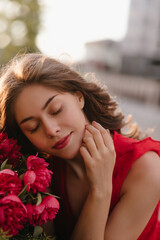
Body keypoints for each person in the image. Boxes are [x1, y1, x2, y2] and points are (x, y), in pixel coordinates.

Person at [0, 53, 160, 240]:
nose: (51, 130)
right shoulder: (39, 174)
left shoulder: (146, 167)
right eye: (33, 127)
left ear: (79, 97)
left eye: (56, 110)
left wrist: (100, 189)